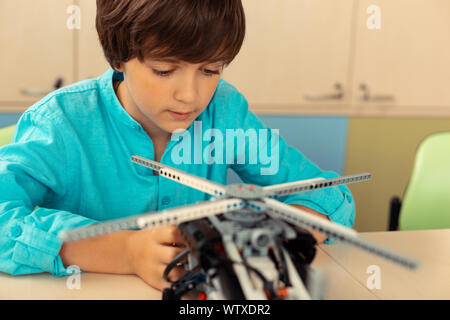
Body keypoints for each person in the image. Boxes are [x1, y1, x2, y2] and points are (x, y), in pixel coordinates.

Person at [0, 0, 355, 291]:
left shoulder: (224, 111)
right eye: (165, 70)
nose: (190, 96)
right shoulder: (60, 123)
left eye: (211, 70)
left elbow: (327, 194)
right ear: (118, 57)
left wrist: (276, 226)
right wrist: (125, 252)